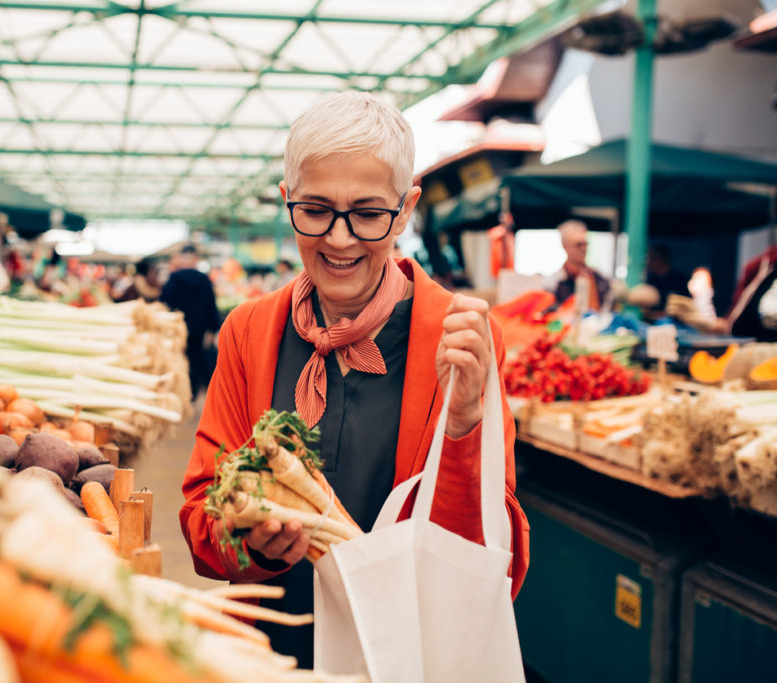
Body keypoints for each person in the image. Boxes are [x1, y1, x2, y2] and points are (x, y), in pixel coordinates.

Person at [179, 92, 530, 669]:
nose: (340, 240)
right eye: (315, 210)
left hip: (408, 661)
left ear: (407, 207)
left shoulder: (459, 338)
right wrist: (249, 541)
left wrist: (465, 427)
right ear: (288, 199)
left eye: (368, 214)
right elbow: (200, 520)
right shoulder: (248, 332)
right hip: (273, 660)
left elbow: (496, 561)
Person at [160, 245, 221, 397]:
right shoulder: (204, 280)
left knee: (179, 358)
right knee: (195, 358)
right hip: (198, 328)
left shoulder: (174, 278)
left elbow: (165, 303)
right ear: (196, 259)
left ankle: (180, 392)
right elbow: (210, 304)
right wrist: (214, 327)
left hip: (177, 327)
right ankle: (193, 392)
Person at [543, 220, 611, 312]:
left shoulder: (600, 279)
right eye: (578, 245)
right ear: (565, 246)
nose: (584, 249)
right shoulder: (552, 283)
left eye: (585, 244)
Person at [645, 244, 690, 311]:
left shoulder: (679, 279)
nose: (648, 262)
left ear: (661, 259)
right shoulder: (650, 280)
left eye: (652, 258)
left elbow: (686, 304)